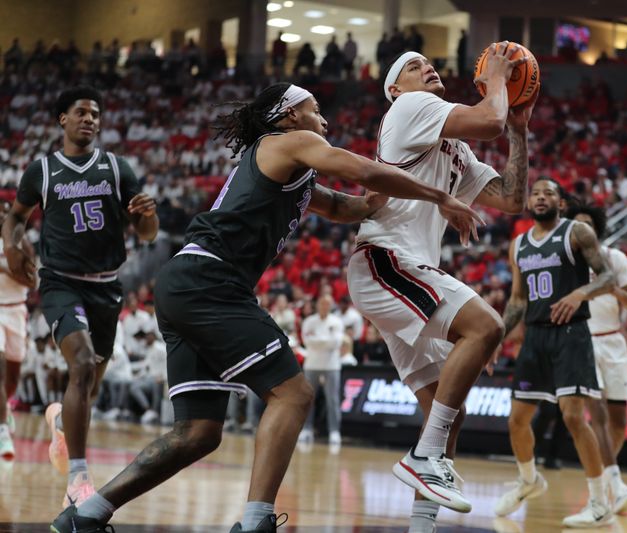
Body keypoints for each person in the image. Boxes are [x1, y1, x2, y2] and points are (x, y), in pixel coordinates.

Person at [50, 82, 481, 533]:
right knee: (294, 394)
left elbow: (342, 204)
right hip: (211, 281)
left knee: (197, 433)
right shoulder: (290, 141)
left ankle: (87, 515)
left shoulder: (286, 164)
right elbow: (359, 170)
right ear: (290, 114)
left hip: (188, 282)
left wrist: (390, 195)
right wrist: (439, 197)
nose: (325, 120)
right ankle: (255, 523)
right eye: (316, 110)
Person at [347, 43, 535, 528]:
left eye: (428, 64)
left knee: (448, 414)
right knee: (486, 328)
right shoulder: (409, 108)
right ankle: (423, 457)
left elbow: (512, 200)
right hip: (385, 260)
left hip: (403, 270)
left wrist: (519, 129)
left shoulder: (453, 144)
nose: (427, 67)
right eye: (414, 66)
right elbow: (488, 119)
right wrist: (497, 78)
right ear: (394, 89)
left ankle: (421, 525)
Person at [3, 86, 159, 505]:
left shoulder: (117, 167)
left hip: (107, 285)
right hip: (60, 282)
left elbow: (148, 235)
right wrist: (13, 247)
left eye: (95, 114)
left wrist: (148, 215)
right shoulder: (43, 171)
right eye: (81, 112)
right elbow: (15, 218)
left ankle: (60, 425)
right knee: (83, 363)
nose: (90, 119)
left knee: (87, 387)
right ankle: (78, 478)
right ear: (63, 120)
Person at [493, 177, 616, 528]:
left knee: (574, 417)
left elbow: (607, 277)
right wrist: (497, 338)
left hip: (571, 334)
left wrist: (580, 294)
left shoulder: (577, 233)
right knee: (517, 419)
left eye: (549, 194)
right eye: (536, 193)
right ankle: (529, 480)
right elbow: (518, 299)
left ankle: (598, 502)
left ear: (561, 203)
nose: (541, 198)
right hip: (535, 336)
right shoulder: (518, 245)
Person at [566, 203, 627, 515]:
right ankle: (612, 485)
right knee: (596, 416)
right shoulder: (566, 262)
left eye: (587, 225)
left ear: (597, 229)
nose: (582, 230)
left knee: (618, 423)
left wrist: (610, 290)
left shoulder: (615, 258)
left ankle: (607, 479)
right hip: (581, 340)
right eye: (576, 225)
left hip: (613, 340)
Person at [0, 202, 35, 460]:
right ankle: (2, 432)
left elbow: (32, 282)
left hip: (16, 311)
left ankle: (6, 408)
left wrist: (5, 268)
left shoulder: (22, 244)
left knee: (12, 378)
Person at [298, 294, 345, 444]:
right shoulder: (309, 321)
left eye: (327, 304)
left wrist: (317, 340)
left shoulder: (337, 322)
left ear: (331, 306)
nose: (324, 306)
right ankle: (306, 429)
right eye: (322, 303)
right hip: (312, 364)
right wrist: (325, 340)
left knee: (332, 399)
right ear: (317, 305)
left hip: (332, 366)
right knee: (308, 399)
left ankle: (334, 431)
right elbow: (307, 342)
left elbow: (336, 343)